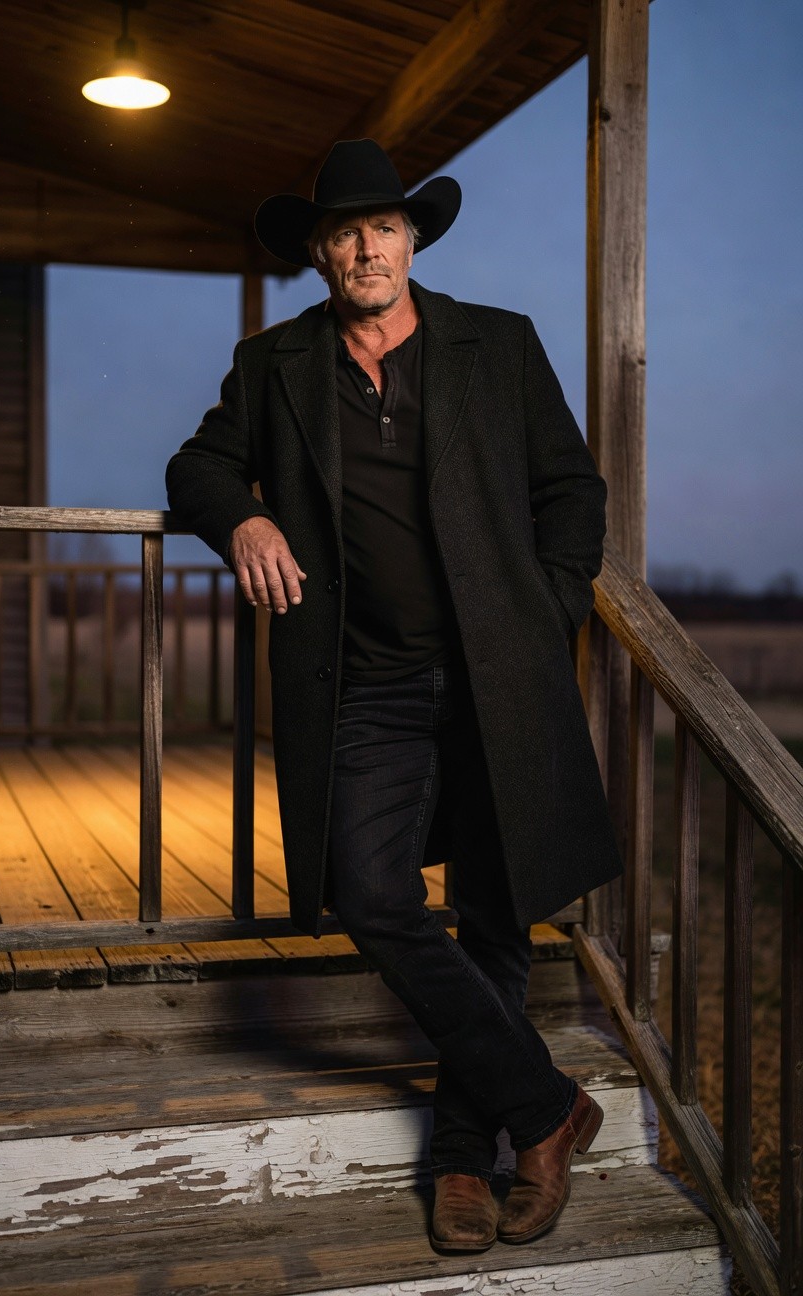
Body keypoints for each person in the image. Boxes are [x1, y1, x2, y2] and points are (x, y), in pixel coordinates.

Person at [165, 138, 623, 1253]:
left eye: (384, 227)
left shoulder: (497, 345)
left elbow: (572, 491)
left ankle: (470, 1157)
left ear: (412, 239)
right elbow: (197, 468)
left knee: (495, 910)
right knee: (370, 891)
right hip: (364, 677)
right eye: (343, 232)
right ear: (318, 254)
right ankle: (549, 1107)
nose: (366, 246)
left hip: (494, 674)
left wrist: (542, 609)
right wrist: (247, 518)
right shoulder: (275, 363)